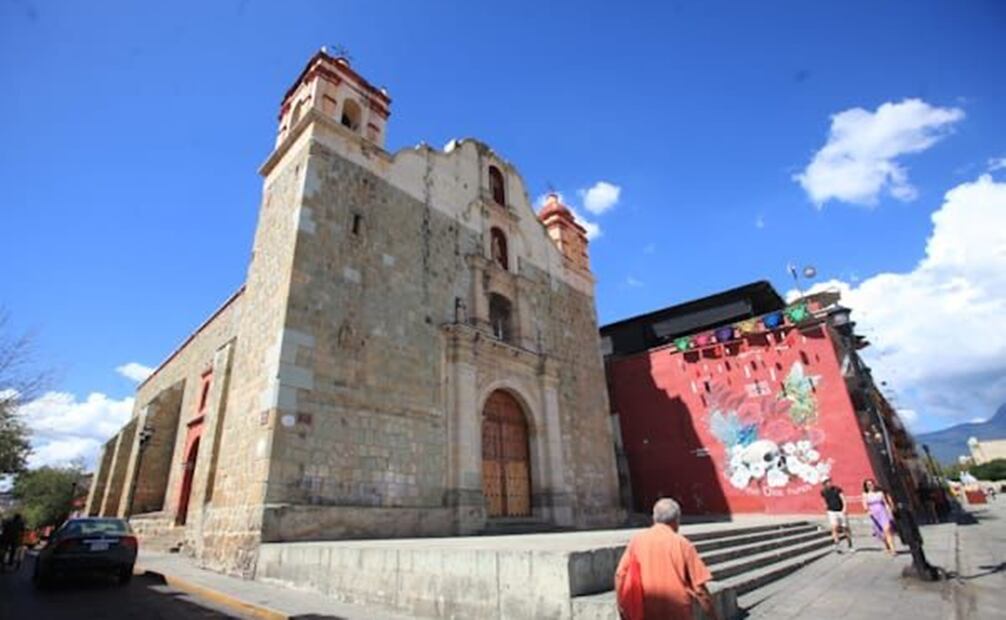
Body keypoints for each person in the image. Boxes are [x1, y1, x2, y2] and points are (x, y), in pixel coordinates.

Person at [614, 498, 719, 620]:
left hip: (646, 611)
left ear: (654, 518)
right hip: (677, 612)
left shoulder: (637, 541)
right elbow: (700, 589)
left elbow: (620, 575)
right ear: (676, 520)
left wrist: (621, 607)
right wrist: (713, 616)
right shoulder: (683, 544)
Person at [862, 479, 897, 556]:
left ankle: (893, 549)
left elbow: (885, 502)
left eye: (871, 484)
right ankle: (887, 546)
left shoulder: (880, 493)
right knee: (881, 533)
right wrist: (868, 511)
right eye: (868, 485)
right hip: (874, 515)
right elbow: (865, 505)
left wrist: (889, 510)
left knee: (887, 530)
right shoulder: (865, 495)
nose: (871, 486)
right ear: (866, 487)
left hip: (883, 512)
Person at [820, 477, 853, 552]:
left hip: (840, 511)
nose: (828, 483)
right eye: (826, 482)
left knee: (845, 529)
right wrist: (825, 506)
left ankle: (850, 545)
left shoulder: (837, 489)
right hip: (831, 511)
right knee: (834, 527)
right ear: (824, 484)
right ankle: (837, 544)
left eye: (829, 481)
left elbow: (843, 499)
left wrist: (844, 508)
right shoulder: (823, 492)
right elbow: (824, 500)